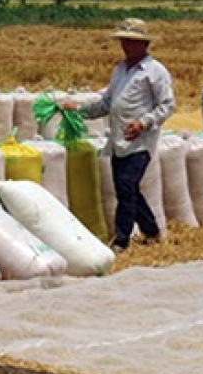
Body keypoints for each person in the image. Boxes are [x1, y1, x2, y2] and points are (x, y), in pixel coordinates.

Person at [62, 18, 175, 253]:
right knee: (128, 188)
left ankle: (122, 241)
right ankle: (152, 232)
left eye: (131, 41)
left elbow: (166, 106)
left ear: (143, 44)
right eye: (123, 41)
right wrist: (80, 110)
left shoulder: (155, 72)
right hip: (118, 141)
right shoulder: (120, 70)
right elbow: (106, 103)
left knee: (126, 187)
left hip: (140, 142)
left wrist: (143, 123)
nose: (126, 46)